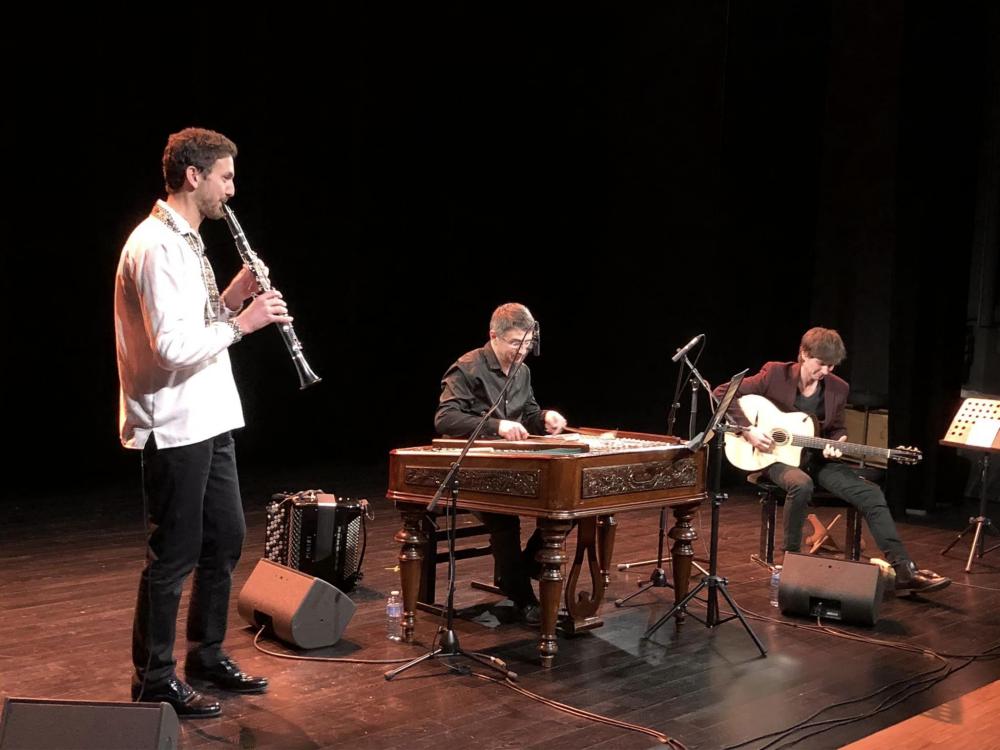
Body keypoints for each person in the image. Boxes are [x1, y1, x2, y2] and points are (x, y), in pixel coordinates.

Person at [115, 127, 289, 717]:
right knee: (174, 554)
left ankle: (206, 654)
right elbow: (170, 347)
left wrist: (232, 298)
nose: (231, 190)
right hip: (173, 421)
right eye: (225, 177)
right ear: (194, 176)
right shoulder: (156, 245)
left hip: (209, 418)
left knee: (226, 538)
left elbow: (196, 323)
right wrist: (245, 323)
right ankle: (153, 678)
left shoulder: (187, 240)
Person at [714, 327, 950, 593]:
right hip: (774, 457)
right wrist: (747, 429)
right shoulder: (776, 373)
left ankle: (904, 569)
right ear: (804, 354)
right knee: (801, 483)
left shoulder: (838, 387)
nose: (826, 371)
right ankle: (792, 562)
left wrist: (838, 442)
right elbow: (722, 392)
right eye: (821, 363)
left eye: (832, 366)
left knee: (870, 493)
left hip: (816, 458)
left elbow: (837, 428)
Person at [434, 303, 568, 624]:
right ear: (493, 336)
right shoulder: (467, 367)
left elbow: (529, 414)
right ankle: (522, 596)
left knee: (565, 505)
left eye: (528, 344)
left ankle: (522, 568)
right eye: (515, 344)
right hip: (471, 468)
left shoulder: (523, 371)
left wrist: (544, 418)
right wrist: (497, 426)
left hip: (510, 466)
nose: (522, 352)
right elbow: (445, 418)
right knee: (505, 518)